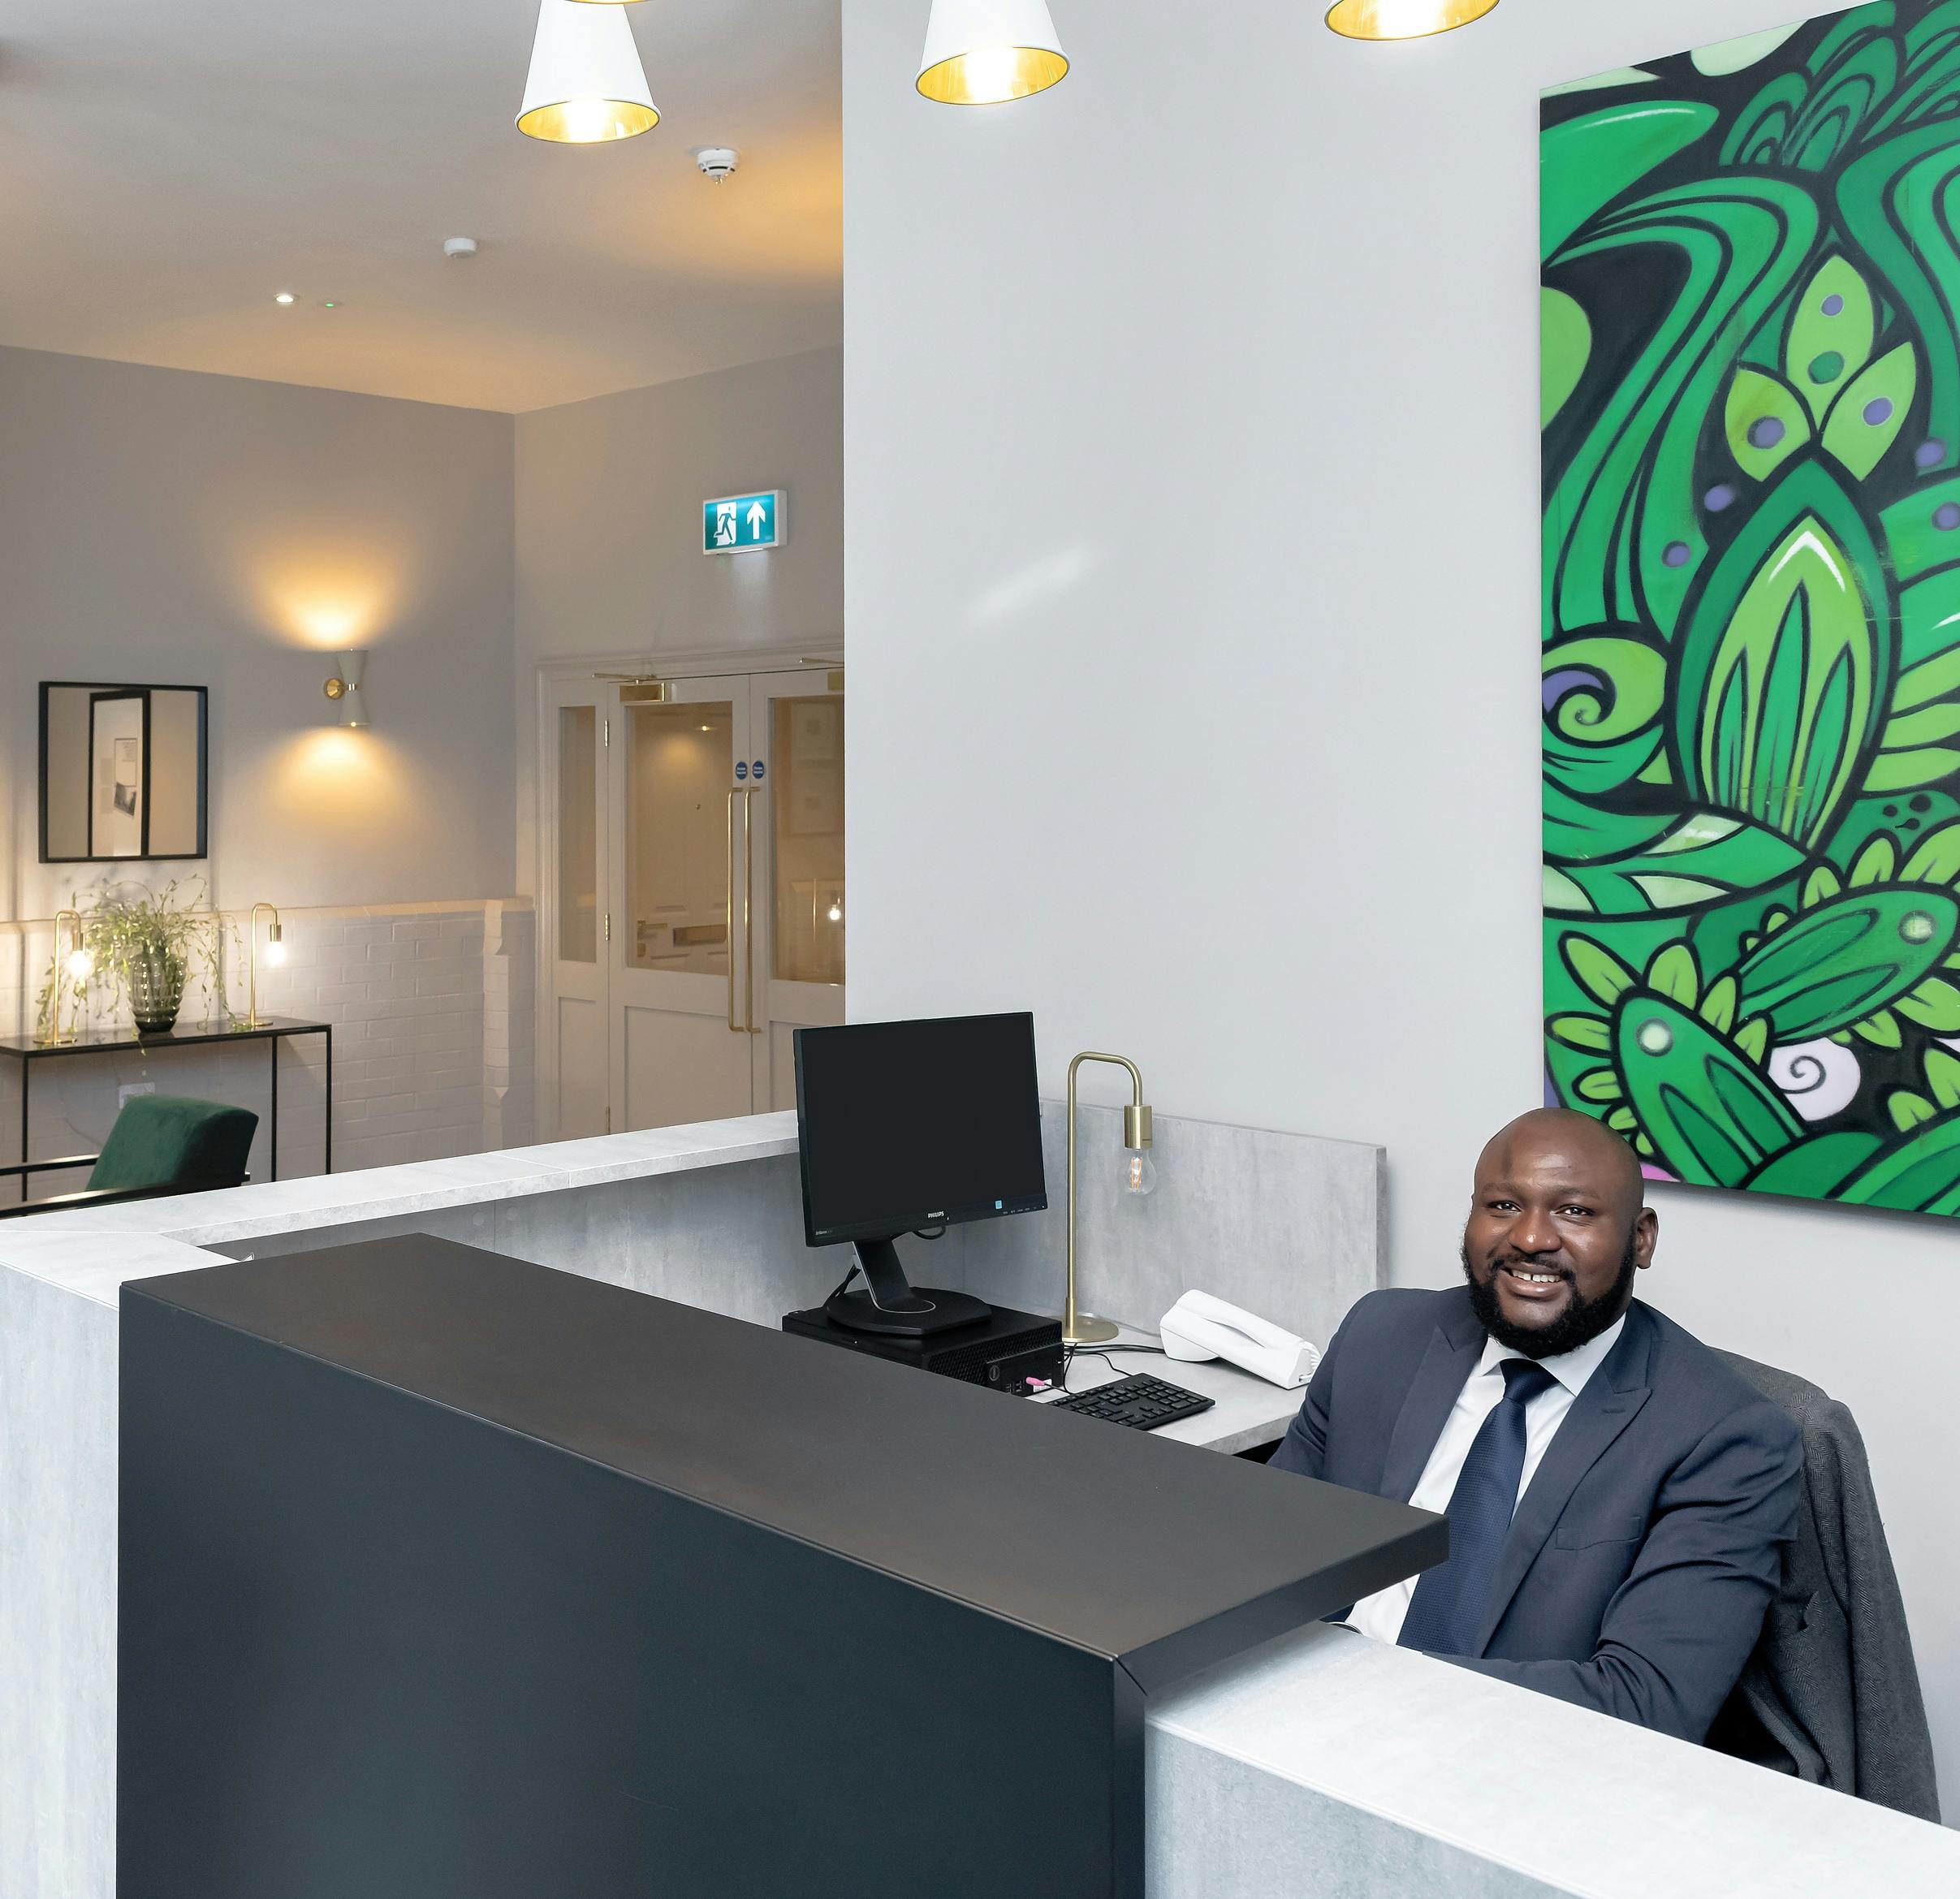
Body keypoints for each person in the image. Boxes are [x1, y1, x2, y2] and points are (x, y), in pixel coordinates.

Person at [1270, 1107, 1801, 1744]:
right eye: (1502, 1205)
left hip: (1513, 1764)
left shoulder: (1725, 1436)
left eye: (1574, 1211)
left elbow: (1645, 1705)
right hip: (1291, 1719)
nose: (1529, 1238)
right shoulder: (1379, 1335)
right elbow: (1263, 1557)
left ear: (1642, 1237)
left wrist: (1363, 1685)